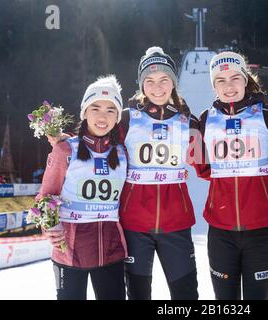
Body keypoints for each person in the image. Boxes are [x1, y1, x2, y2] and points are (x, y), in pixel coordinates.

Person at [194, 51, 268, 300]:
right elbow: (203, 168)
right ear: (214, 86)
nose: (229, 86)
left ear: (246, 80)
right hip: (221, 230)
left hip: (261, 229)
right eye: (221, 80)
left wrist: (262, 188)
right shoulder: (205, 121)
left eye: (235, 78)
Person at [37, 75, 128, 300]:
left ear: (117, 117)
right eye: (95, 108)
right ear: (84, 112)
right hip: (69, 253)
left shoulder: (124, 153)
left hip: (111, 252)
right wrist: (49, 227)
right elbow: (45, 196)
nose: (102, 116)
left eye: (110, 110)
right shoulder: (65, 151)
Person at [119, 47, 199, 300]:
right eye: (150, 81)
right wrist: (64, 142)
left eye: (165, 79)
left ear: (174, 83)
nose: (157, 87)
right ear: (142, 85)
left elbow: (209, 165)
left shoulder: (188, 122)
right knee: (138, 294)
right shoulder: (126, 120)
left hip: (176, 222)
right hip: (134, 223)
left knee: (186, 296)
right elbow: (95, 145)